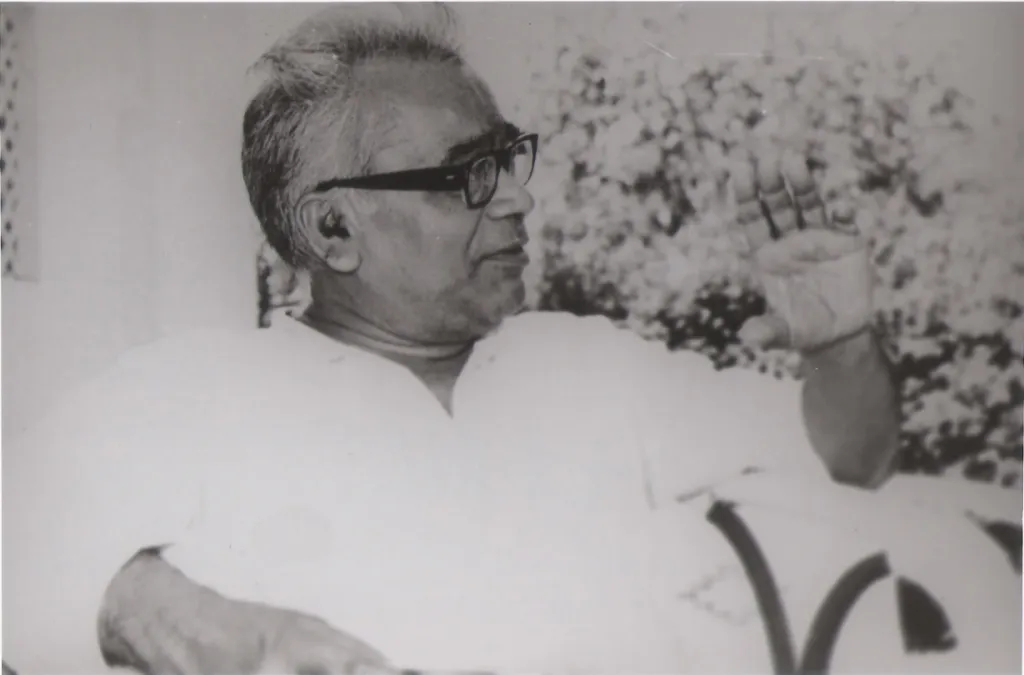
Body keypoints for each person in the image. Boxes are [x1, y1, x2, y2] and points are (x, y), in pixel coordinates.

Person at [5, 3, 946, 673]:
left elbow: (848, 456)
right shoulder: (195, 391)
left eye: (508, 158)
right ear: (332, 229)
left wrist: (842, 344)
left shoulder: (588, 367)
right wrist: (209, 629)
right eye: (469, 176)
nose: (519, 198)